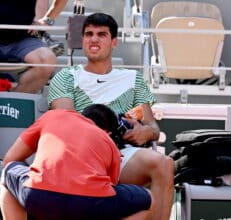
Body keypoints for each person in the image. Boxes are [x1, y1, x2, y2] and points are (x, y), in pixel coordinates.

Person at [48, 13, 175, 220]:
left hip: (121, 154)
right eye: (89, 34)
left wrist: (144, 132)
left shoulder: (134, 78)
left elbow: (154, 129)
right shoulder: (66, 76)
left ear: (114, 42)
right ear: (82, 41)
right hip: (81, 155)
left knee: (165, 163)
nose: (94, 39)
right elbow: (67, 124)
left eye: (101, 34)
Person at [0, 104, 154, 220]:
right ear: (108, 132)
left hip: (39, 195)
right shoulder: (109, 143)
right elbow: (109, 188)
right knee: (149, 200)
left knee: (8, 170)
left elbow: (9, 159)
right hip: (90, 203)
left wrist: (32, 175)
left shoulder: (53, 116)